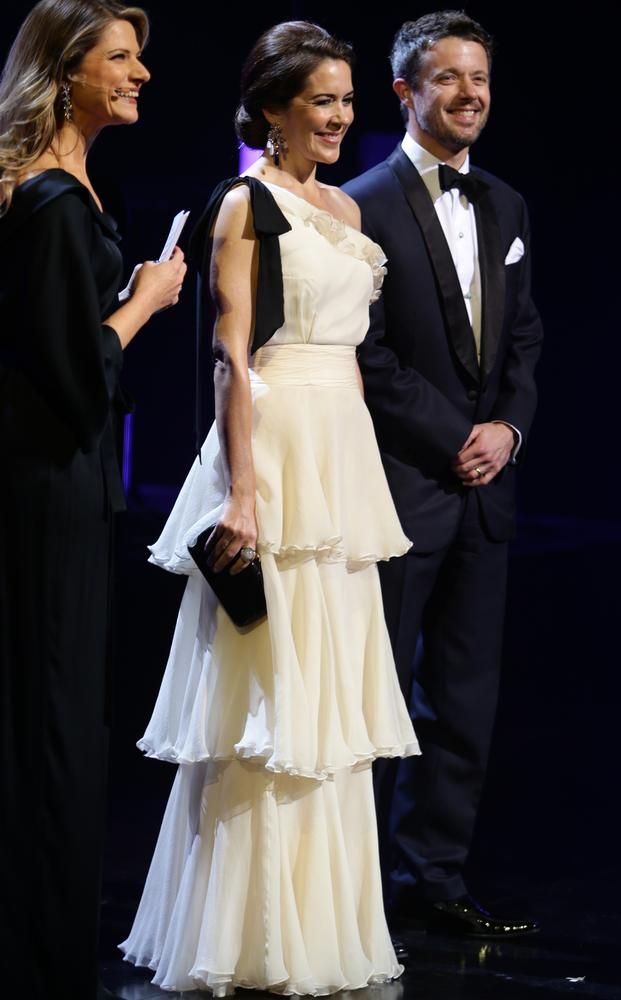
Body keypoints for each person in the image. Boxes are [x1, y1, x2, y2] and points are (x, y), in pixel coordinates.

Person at [119, 20, 418, 995]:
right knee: (265, 702)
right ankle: (242, 935)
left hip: (339, 460)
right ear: (274, 106)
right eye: (320, 99)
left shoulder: (346, 209)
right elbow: (228, 352)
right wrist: (242, 492)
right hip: (270, 456)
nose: (337, 116)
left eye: (344, 99)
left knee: (326, 703)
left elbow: (351, 355)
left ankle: (320, 932)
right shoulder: (244, 203)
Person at [0, 3, 186, 998]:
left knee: (50, 712)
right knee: (56, 717)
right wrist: (148, 299)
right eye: (119, 57)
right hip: (48, 490)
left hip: (46, 486)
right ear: (65, 74)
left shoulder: (55, 194)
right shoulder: (53, 205)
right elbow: (78, 375)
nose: (141, 74)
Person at [344, 10, 543, 937]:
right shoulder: (363, 203)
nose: (471, 95)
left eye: (482, 80)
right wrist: (454, 432)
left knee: (464, 695)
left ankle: (436, 879)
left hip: (486, 490)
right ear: (406, 92)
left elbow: (526, 337)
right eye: (450, 78)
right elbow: (366, 352)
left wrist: (505, 426)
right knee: (374, 695)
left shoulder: (506, 205)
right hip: (399, 485)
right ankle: (349, 890)